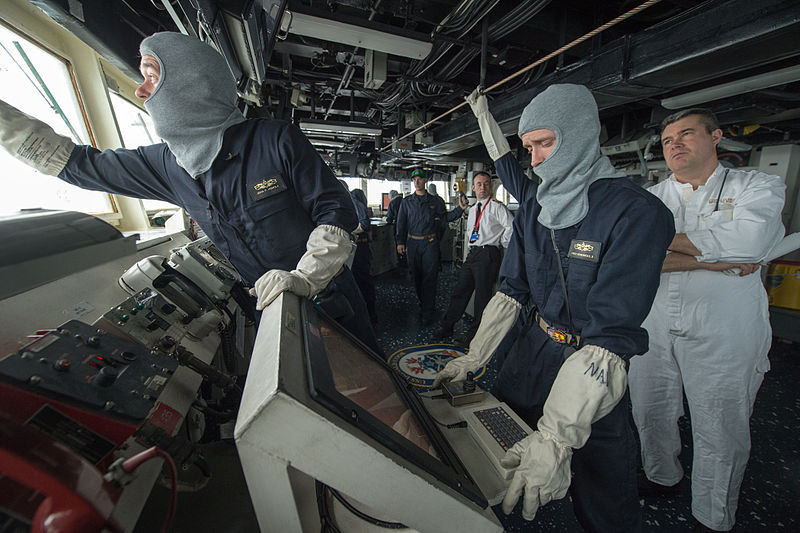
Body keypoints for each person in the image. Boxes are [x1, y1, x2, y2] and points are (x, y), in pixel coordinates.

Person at [0, 31, 379, 353]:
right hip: (270, 309)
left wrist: (305, 277)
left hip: (326, 296)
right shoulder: (167, 166)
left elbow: (337, 212)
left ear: (189, 81)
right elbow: (81, 165)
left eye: (151, 76)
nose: (140, 89)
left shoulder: (274, 139)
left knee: (371, 395)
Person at [434, 84, 675, 532]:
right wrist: (475, 356)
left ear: (581, 134)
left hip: (592, 368)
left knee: (605, 494)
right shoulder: (534, 209)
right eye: (529, 148)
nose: (536, 159)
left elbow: (611, 334)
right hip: (532, 351)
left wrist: (557, 436)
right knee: (497, 444)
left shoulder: (636, 212)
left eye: (545, 143)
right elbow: (511, 292)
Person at [628, 108, 785, 532]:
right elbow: (625, 257)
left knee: (720, 420)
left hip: (725, 327)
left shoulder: (758, 185)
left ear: (716, 137)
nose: (675, 144)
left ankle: (713, 514)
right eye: (667, 140)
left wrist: (659, 250)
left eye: (686, 134)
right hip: (655, 322)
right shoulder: (649, 198)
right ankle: (662, 476)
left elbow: (751, 242)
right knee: (651, 409)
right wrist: (718, 261)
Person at [436, 171, 513, 344]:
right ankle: (447, 326)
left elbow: (511, 226)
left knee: (482, 298)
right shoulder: (472, 209)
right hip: (473, 254)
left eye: (486, 183)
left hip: (487, 254)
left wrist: (501, 241)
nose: (483, 187)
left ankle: (475, 337)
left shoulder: (497, 207)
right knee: (460, 291)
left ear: (491, 186)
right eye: (479, 184)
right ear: (473, 187)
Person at [395, 169, 466, 325]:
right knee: (416, 278)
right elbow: (401, 223)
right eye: (414, 180)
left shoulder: (436, 201)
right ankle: (423, 303)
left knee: (430, 278)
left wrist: (460, 209)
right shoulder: (406, 202)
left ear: (425, 181)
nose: (417, 182)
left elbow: (445, 218)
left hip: (430, 244)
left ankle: (428, 310)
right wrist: (400, 242)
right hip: (412, 244)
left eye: (420, 179)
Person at [350, 187, 377, 325]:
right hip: (363, 247)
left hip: (358, 248)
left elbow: (364, 224)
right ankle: (370, 314)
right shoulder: (357, 200)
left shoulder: (353, 201)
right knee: (364, 280)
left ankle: (368, 316)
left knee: (361, 280)